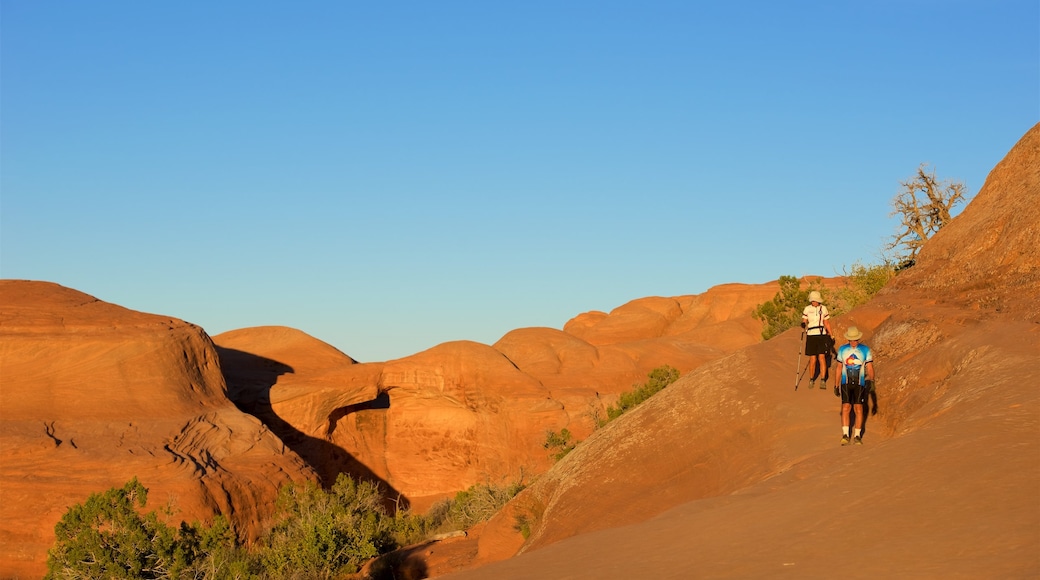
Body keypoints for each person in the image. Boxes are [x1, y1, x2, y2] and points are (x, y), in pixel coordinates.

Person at [833, 326, 875, 445]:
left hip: (860, 383)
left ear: (858, 339)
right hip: (845, 383)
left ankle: (857, 436)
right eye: (851, 339)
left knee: (858, 408)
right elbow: (839, 368)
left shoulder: (865, 350)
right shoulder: (842, 349)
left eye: (855, 339)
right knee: (846, 407)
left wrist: (872, 381)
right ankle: (845, 435)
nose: (853, 342)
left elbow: (870, 367)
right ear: (848, 339)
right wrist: (836, 385)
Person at [801, 290, 833, 389]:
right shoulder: (807, 309)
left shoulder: (823, 309)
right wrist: (803, 324)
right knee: (812, 358)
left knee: (822, 357)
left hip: (821, 334)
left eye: (816, 300)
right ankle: (811, 379)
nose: (814, 302)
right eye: (813, 300)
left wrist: (831, 335)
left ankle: (823, 379)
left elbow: (826, 323)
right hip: (811, 335)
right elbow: (804, 320)